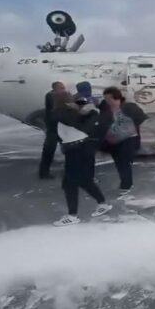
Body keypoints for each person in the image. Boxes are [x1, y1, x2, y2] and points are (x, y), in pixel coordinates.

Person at [52, 91, 112, 226]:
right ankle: (103, 203)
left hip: (77, 150)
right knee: (83, 180)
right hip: (79, 148)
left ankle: (73, 215)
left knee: (69, 183)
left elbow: (78, 123)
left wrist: (90, 112)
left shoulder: (63, 112)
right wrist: (90, 112)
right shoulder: (72, 111)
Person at [100, 87, 148, 194]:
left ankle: (126, 185)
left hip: (128, 140)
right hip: (113, 140)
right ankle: (125, 183)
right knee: (119, 162)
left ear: (116, 97)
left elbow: (142, 118)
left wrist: (131, 128)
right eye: (105, 99)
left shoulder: (129, 107)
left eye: (108, 99)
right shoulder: (105, 108)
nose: (107, 101)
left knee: (123, 162)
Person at [39, 81, 66, 179]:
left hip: (58, 128)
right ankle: (44, 172)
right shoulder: (51, 96)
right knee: (49, 151)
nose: (64, 90)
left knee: (68, 148)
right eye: (62, 88)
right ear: (55, 89)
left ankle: (69, 170)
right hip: (53, 128)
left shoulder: (55, 96)